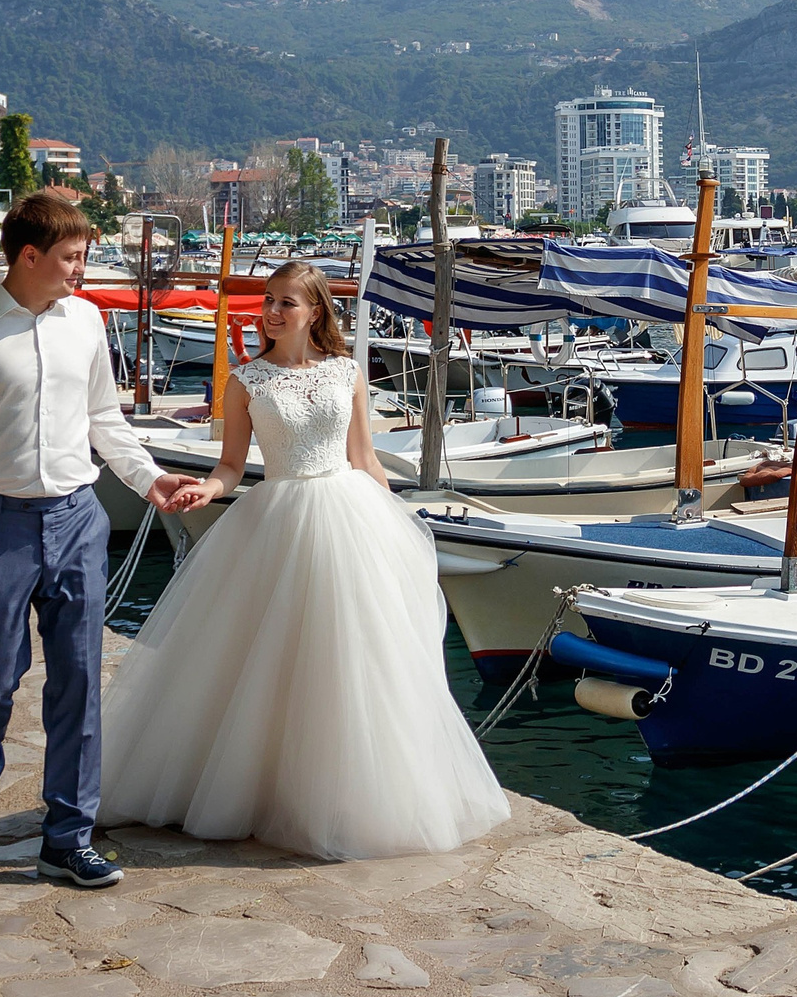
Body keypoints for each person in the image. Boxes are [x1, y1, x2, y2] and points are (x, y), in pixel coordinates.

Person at [99, 261, 510, 859]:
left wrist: (397, 524)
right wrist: (206, 491)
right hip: (279, 517)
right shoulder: (246, 381)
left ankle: (351, 796)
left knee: (354, 658)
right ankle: (263, 789)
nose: (271, 312)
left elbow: (364, 456)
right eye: (268, 300)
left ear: (314, 311)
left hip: (350, 513)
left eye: (286, 302)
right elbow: (231, 467)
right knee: (266, 660)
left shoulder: (346, 373)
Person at [0, 192, 206, 887]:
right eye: (72, 257)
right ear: (29, 255)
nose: (82, 268)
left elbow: (106, 418)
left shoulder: (87, 322)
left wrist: (149, 482)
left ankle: (67, 834)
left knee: (79, 682)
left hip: (77, 519)